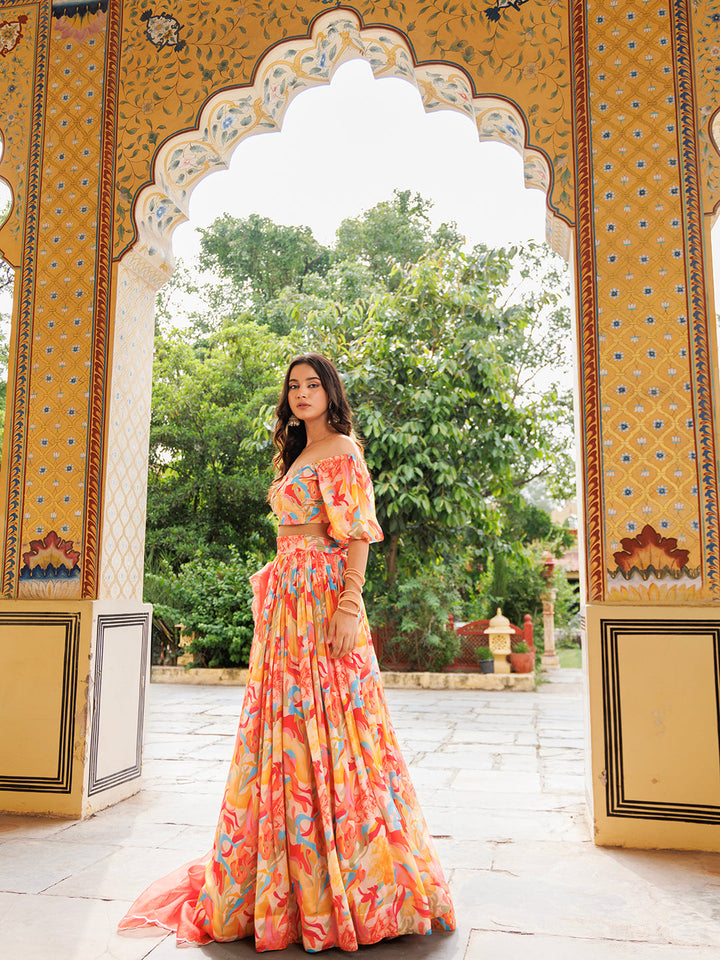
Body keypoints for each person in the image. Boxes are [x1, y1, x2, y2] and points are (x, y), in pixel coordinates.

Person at [119, 353, 455, 951]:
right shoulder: (298, 452)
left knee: (341, 730)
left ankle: (352, 884)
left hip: (325, 601)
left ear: (331, 392)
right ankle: (288, 881)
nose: (302, 394)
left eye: (313, 384)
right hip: (286, 606)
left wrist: (350, 606)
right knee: (284, 730)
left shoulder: (342, 450)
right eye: (294, 386)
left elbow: (355, 534)